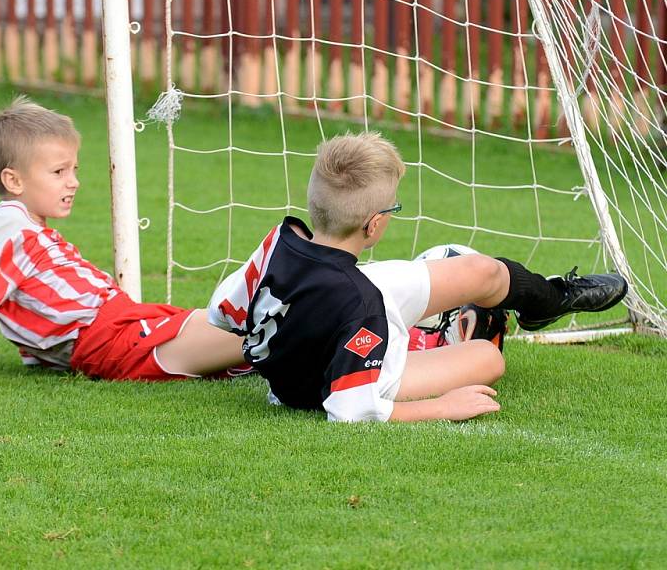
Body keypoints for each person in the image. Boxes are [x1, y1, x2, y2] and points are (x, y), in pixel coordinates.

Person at [208, 132, 628, 422]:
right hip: (324, 385)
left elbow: (222, 311)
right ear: (374, 226)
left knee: (481, 270)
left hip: (332, 312)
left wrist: (293, 333)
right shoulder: (363, 306)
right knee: (488, 358)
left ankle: (548, 300)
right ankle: (442, 336)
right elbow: (352, 408)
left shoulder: (279, 243)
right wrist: (443, 407)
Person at [0, 96, 248, 392]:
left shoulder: (27, 226)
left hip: (123, 324)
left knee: (241, 335)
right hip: (107, 339)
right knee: (252, 336)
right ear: (13, 180)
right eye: (59, 172)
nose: (74, 181)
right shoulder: (7, 225)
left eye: (74, 169)